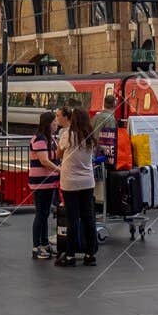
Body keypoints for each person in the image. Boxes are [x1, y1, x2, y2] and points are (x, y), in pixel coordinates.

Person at [57, 106, 98, 265]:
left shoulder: (67, 135)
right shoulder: (90, 136)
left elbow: (58, 154)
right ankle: (90, 254)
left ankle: (70, 255)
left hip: (70, 182)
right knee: (88, 218)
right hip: (87, 182)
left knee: (72, 219)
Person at [28, 110, 60, 260]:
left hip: (49, 182)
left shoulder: (51, 139)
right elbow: (44, 161)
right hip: (41, 183)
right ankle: (36, 247)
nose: (56, 124)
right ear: (48, 124)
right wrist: (60, 170)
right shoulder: (40, 139)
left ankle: (45, 243)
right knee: (41, 214)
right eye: (54, 122)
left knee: (45, 213)